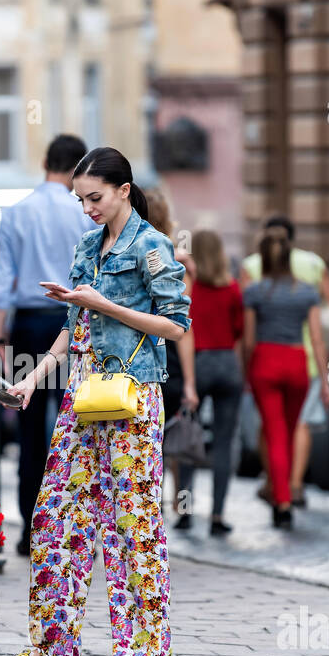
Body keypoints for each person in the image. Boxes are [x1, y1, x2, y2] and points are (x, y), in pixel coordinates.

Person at [1, 147, 191, 656]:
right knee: (56, 513)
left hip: (132, 397)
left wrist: (103, 304)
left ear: (124, 190)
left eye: (96, 197)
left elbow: (176, 325)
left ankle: (146, 652)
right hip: (82, 394)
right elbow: (73, 326)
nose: (87, 208)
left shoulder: (152, 246)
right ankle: (53, 643)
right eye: (80, 198)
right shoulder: (88, 245)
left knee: (132, 520)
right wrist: (36, 378)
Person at [0, 134, 95, 556]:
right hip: (76, 323)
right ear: (78, 170)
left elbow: (2, 282)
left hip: (30, 325)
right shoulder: (85, 213)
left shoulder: (16, 213)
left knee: (31, 431)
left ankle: (33, 531)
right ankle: (78, 531)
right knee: (82, 425)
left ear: (45, 162)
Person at [240, 214, 329, 507]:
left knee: (273, 431)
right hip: (299, 362)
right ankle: (293, 486)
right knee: (293, 426)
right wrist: (326, 382)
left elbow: (248, 340)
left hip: (265, 361)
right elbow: (319, 338)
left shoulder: (254, 291)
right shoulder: (306, 292)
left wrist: (246, 373)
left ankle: (280, 498)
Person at [175, 230, 244, 535]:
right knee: (224, 443)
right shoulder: (231, 288)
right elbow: (239, 328)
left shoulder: (190, 288)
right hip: (228, 363)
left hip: (198, 363)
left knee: (189, 439)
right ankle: (217, 516)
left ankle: (186, 512)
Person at [144, 189, 199, 518]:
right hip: (170, 362)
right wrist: (191, 382)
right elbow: (184, 328)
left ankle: (153, 506)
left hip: (138, 358)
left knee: (148, 440)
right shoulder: (177, 262)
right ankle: (179, 504)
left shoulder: (121, 253)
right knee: (173, 436)